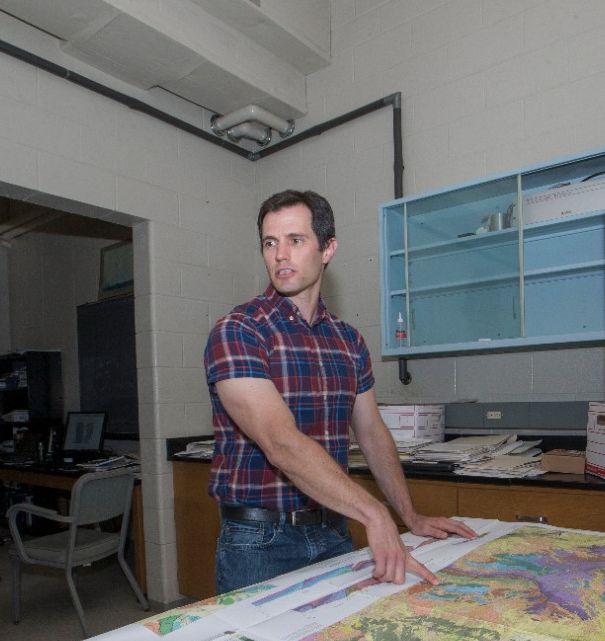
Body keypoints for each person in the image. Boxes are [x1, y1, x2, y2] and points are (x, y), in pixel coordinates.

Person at [204, 189, 476, 594]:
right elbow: (280, 442)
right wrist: (374, 514)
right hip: (260, 543)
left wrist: (409, 516)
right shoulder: (239, 330)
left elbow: (371, 432)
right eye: (270, 242)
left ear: (327, 248)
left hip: (335, 529)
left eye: (295, 240)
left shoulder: (348, 340)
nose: (280, 255)